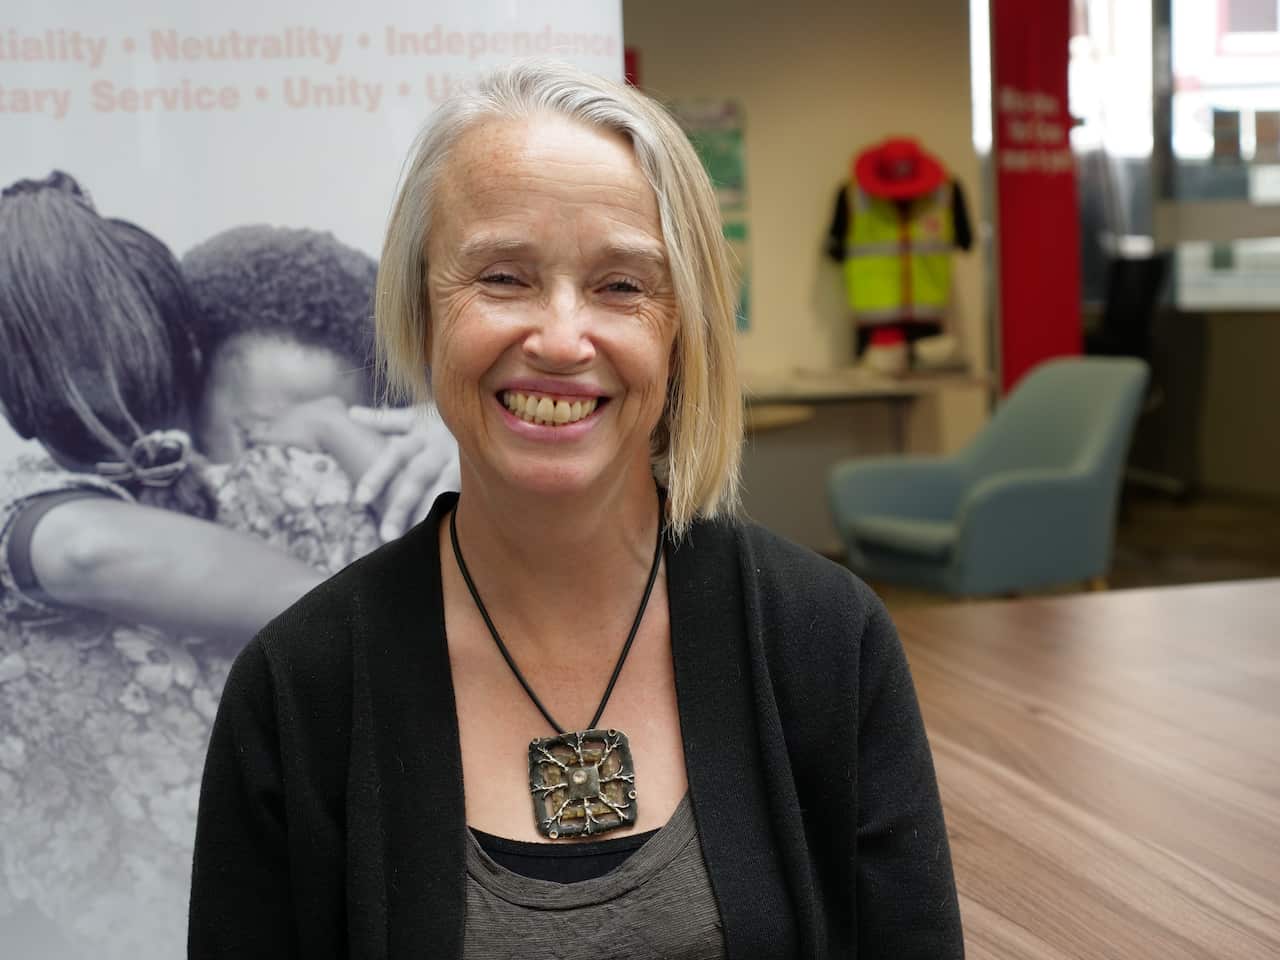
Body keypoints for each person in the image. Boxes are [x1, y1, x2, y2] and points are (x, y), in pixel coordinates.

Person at [189, 60, 963, 959]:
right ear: (421, 309)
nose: (561, 340)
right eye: (503, 277)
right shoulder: (299, 688)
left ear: (683, 332)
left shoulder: (824, 642)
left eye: (622, 285)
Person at [0, 175, 438, 958]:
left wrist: (445, 436)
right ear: (191, 373)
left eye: (293, 444)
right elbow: (86, 548)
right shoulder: (55, 519)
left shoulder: (353, 497)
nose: (267, 462)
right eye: (254, 431)